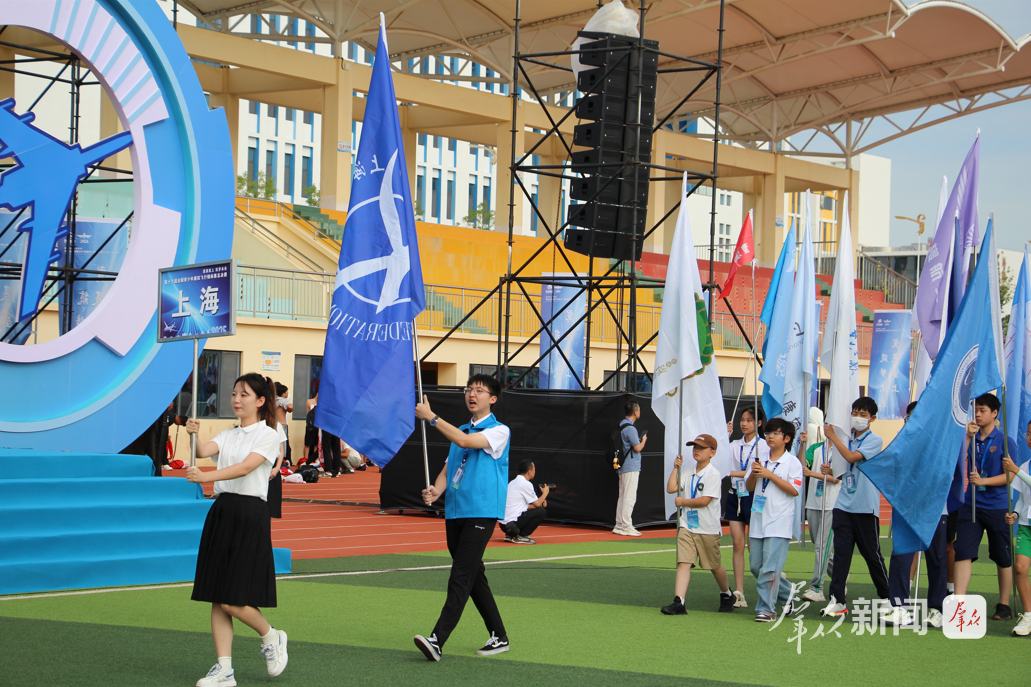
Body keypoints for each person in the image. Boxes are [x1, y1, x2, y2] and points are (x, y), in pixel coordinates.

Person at [184, 373, 288, 686]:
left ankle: (271, 636)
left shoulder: (268, 434)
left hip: (249, 513)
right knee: (217, 596)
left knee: (233, 599)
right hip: (222, 511)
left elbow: (246, 467)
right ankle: (225, 670)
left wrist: (205, 477)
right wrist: (193, 435)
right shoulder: (229, 434)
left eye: (244, 395)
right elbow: (203, 451)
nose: (236, 400)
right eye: (233, 394)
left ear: (260, 401)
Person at [413, 375, 511, 661]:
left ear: (493, 399)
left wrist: (432, 418)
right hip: (456, 511)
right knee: (473, 576)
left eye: (480, 390)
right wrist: (436, 491)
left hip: (481, 511)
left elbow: (466, 441)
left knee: (460, 576)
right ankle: (499, 636)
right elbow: (448, 469)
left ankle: (437, 639)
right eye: (469, 389)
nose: (472, 394)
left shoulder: (499, 430)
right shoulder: (460, 429)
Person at [819, 397, 889, 617]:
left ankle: (887, 597)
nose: (857, 417)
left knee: (872, 555)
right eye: (855, 413)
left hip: (865, 507)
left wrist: (833, 437)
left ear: (872, 418)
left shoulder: (874, 440)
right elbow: (845, 471)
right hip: (843, 505)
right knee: (841, 555)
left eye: (862, 414)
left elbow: (851, 458)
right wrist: (832, 471)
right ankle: (837, 600)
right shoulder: (846, 438)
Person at [953, 393, 1019, 620]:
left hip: (998, 506)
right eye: (975, 410)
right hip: (971, 504)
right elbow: (958, 461)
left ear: (994, 413)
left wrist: (983, 481)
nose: (978, 415)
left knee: (1002, 555)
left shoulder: (1005, 441)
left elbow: (1010, 476)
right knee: (963, 551)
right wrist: (968, 437)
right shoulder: (970, 436)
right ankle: (959, 603)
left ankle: (1003, 605)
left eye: (982, 411)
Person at [882, 400, 947, 628]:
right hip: (906, 507)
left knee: (936, 558)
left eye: (915, 416)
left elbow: (945, 475)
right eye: (908, 417)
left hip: (934, 508)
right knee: (901, 555)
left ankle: (937, 609)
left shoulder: (939, 443)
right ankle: (899, 607)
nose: (910, 421)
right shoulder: (900, 443)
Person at [660, 434, 735, 615]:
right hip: (687, 525)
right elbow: (671, 488)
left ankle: (727, 593)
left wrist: (683, 502)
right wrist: (675, 468)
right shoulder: (687, 472)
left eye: (701, 448)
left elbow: (705, 501)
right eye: (695, 447)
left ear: (712, 453)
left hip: (708, 529)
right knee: (684, 562)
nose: (697, 450)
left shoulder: (713, 474)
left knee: (714, 566)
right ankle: (679, 601)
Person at [745, 417, 804, 622]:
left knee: (770, 569)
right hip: (758, 520)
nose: (770, 437)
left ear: (786, 438)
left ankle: (767, 610)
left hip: (779, 521)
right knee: (756, 567)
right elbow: (749, 487)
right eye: (768, 433)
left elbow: (794, 490)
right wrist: (755, 474)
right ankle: (787, 594)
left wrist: (769, 474)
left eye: (775, 433)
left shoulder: (792, 462)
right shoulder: (759, 458)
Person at [724, 407, 769, 608]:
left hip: (754, 496)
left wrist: (733, 472)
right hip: (735, 495)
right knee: (737, 543)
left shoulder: (764, 446)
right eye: (742, 419)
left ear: (758, 423)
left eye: (749, 420)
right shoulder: (734, 444)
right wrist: (725, 435)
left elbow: (755, 472)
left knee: (754, 545)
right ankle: (739, 592)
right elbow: (720, 458)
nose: (744, 423)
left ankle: (770, 583)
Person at [801, 407, 840, 604]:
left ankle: (817, 588)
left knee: (822, 547)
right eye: (826, 423)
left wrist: (814, 474)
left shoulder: (842, 450)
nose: (827, 426)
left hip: (831, 504)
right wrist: (802, 444)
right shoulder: (815, 448)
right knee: (819, 546)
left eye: (831, 423)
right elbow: (802, 466)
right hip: (813, 502)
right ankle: (840, 574)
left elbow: (837, 479)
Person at [1002, 419, 1031, 636]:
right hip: (1026, 526)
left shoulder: (1020, 469)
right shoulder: (1026, 465)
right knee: (1020, 568)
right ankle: (1028, 616)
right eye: (1029, 434)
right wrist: (1016, 513)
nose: (1030, 438)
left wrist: (1015, 470)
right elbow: (1023, 498)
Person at [614, 401, 647, 537]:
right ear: (635, 412)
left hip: (623, 465)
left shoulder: (622, 424)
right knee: (629, 497)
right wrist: (643, 440)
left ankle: (619, 524)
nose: (639, 412)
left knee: (623, 496)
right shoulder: (630, 428)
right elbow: (637, 448)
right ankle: (626, 525)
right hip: (630, 466)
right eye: (639, 410)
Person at [499, 459, 548, 544]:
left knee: (538, 509)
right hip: (512, 524)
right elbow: (537, 504)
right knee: (541, 511)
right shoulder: (526, 484)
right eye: (534, 470)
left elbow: (523, 507)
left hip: (504, 525)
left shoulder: (513, 482)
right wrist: (545, 493)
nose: (535, 472)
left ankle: (512, 535)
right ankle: (521, 535)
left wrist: (540, 504)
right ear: (529, 472)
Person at [274, 383, 293, 466]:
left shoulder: (273, 401)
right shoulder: (284, 400)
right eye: (287, 392)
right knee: (283, 446)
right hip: (282, 425)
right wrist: (290, 409)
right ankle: (282, 462)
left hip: (274, 424)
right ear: (283, 393)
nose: (287, 394)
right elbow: (290, 407)